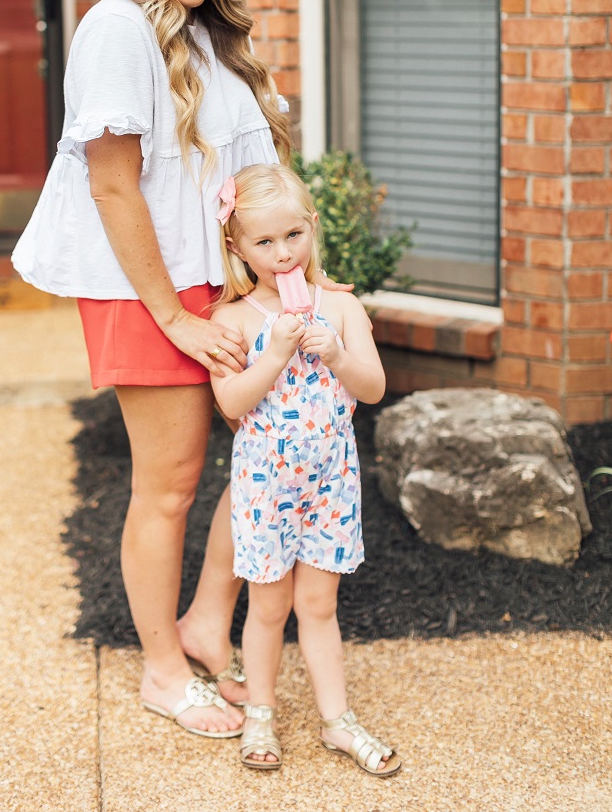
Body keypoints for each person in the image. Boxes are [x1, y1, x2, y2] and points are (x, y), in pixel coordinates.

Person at [12, 0, 296, 738]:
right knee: (168, 485)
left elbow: (252, 175)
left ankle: (207, 623)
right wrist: (174, 314)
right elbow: (112, 186)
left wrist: (296, 285)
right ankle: (164, 672)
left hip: (220, 282)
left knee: (262, 460)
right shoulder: (118, 30)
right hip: (147, 290)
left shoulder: (209, 31)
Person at [210, 163, 401, 776]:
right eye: (264, 242)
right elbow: (232, 403)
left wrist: (339, 353)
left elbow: (372, 390)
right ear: (237, 246)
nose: (282, 252)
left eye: (293, 235)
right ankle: (261, 713)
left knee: (318, 605)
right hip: (266, 485)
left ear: (312, 229)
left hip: (330, 483)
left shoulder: (340, 307)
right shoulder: (233, 320)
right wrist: (275, 354)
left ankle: (337, 721)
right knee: (267, 608)